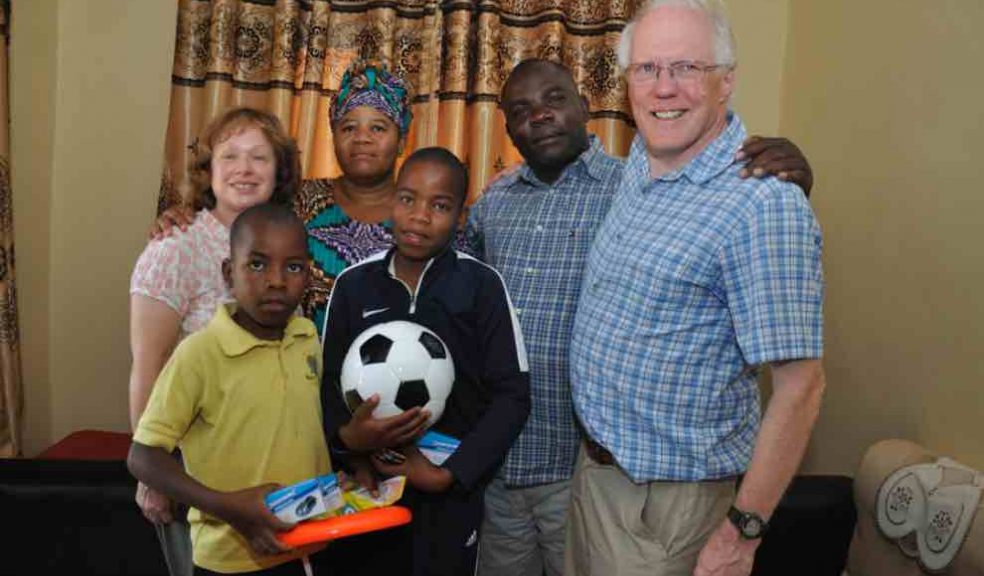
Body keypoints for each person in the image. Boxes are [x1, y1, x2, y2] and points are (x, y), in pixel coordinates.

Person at [466, 58, 815, 576]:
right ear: (508, 128)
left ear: (586, 107)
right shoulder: (491, 204)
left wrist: (790, 177)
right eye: (520, 110)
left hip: (584, 471)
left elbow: (721, 210)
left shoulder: (636, 188)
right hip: (500, 467)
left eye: (555, 100)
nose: (538, 116)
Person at [566, 1, 826, 575]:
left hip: (668, 510)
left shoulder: (762, 203)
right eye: (647, 69)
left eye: (686, 68)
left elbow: (800, 389)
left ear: (726, 80)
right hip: (596, 482)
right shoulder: (637, 165)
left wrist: (743, 533)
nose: (664, 89)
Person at [322, 147, 531, 576]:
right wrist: (349, 440)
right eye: (407, 199)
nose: (419, 216)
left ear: (459, 218)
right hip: (368, 489)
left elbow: (512, 395)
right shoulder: (353, 285)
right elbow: (326, 387)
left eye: (439, 206)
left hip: (447, 497)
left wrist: (450, 474)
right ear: (391, 202)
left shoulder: (481, 286)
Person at [130, 107, 301, 576]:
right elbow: (148, 365)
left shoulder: (286, 244)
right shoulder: (176, 246)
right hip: (194, 479)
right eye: (230, 156)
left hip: (266, 475)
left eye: (259, 158)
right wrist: (153, 477)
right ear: (208, 171)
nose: (244, 169)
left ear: (279, 171)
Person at [129, 204, 333, 575]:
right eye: (257, 264)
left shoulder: (307, 339)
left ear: (308, 275)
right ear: (229, 273)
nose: (276, 280)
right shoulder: (199, 353)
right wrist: (228, 507)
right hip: (230, 558)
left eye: (293, 267)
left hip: (305, 545)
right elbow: (143, 457)